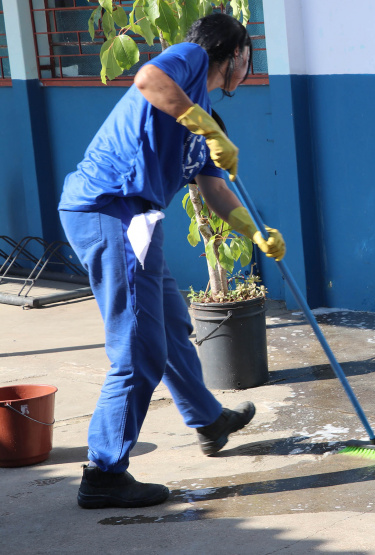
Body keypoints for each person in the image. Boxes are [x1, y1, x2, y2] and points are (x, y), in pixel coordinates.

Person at [58, 13, 285, 509]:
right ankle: (104, 473)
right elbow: (147, 78)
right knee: (139, 346)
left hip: (141, 218)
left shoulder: (204, 118)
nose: (248, 67)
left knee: (171, 324)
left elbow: (214, 190)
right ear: (236, 52)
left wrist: (255, 232)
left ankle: (208, 420)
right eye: (249, 57)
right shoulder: (192, 58)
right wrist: (204, 125)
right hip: (111, 208)